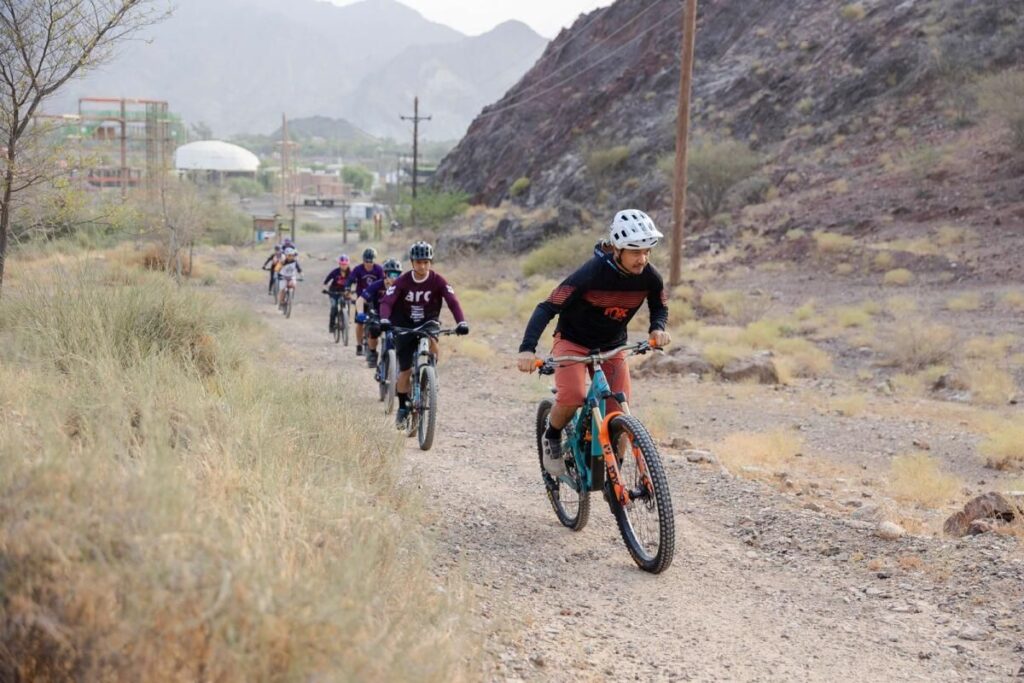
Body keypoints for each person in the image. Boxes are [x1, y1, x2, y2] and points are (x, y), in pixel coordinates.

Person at [516, 209, 671, 476]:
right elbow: (547, 307)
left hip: (612, 346)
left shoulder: (650, 276)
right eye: (636, 252)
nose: (643, 259)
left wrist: (657, 328)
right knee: (573, 396)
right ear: (618, 249)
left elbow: (660, 305)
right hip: (573, 342)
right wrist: (527, 349)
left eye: (647, 251)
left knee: (618, 409)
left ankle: (614, 476)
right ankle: (552, 436)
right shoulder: (590, 274)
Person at [379, 242, 469, 428]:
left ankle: (430, 372)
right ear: (412, 262)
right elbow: (387, 302)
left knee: (433, 338)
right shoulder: (402, 281)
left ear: (431, 262)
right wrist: (385, 319)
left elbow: (452, 301)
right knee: (405, 371)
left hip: (428, 321)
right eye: (419, 262)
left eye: (426, 262)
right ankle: (402, 407)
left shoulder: (438, 280)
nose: (422, 266)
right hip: (404, 325)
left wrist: (461, 322)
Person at [356, 257, 402, 367]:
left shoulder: (402, 286)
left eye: (397, 275)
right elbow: (360, 300)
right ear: (385, 274)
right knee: (374, 329)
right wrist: (361, 313)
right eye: (391, 275)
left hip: (395, 315)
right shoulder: (377, 285)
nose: (394, 278)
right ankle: (372, 352)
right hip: (377, 314)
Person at [345, 247, 384, 356]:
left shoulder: (379, 269)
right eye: (366, 261)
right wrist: (347, 288)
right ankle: (359, 345)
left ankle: (373, 345)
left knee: (377, 323)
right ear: (363, 260)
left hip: (375, 300)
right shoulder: (358, 269)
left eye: (371, 261)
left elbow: (384, 281)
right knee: (359, 322)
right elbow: (350, 279)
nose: (368, 264)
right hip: (362, 300)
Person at [322, 254, 353, 332]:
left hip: (345, 292)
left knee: (347, 303)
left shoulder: (351, 273)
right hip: (333, 292)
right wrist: (324, 288)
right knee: (334, 307)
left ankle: (346, 319)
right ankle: (332, 326)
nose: (343, 266)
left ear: (348, 264)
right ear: (339, 264)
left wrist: (354, 290)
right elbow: (326, 281)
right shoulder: (335, 272)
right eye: (342, 264)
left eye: (345, 264)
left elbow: (356, 281)